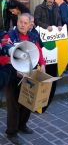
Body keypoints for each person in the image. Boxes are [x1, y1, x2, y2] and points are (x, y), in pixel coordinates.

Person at [1, 13, 46, 145]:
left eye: (25, 23)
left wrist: (42, 64)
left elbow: (38, 52)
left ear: (29, 25)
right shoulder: (8, 36)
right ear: (17, 22)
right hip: (12, 74)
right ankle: (12, 132)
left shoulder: (33, 37)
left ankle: (22, 125)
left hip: (28, 73)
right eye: (20, 22)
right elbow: (1, 55)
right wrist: (11, 62)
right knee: (13, 104)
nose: (22, 24)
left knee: (27, 101)